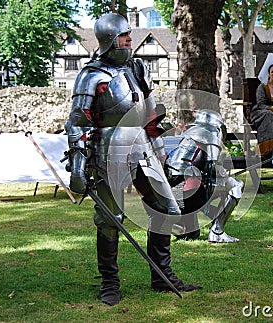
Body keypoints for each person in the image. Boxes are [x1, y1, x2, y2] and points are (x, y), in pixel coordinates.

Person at [65, 12, 201, 306]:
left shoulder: (137, 68)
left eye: (129, 35)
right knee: (111, 219)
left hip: (142, 146)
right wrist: (78, 167)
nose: (130, 40)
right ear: (110, 41)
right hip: (107, 151)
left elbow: (150, 114)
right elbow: (78, 122)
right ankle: (110, 283)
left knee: (165, 207)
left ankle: (162, 276)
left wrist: (162, 153)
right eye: (124, 36)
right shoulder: (91, 76)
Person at [165, 109, 244, 243]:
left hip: (171, 193)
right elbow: (211, 166)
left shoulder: (187, 135)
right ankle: (217, 232)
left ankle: (181, 226)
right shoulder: (209, 134)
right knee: (236, 185)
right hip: (189, 191)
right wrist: (223, 174)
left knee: (192, 233)